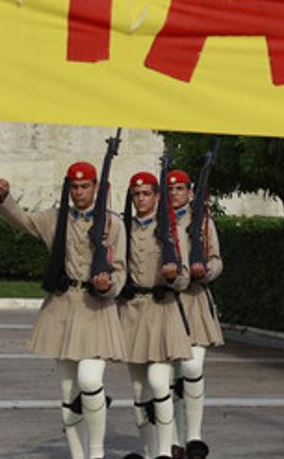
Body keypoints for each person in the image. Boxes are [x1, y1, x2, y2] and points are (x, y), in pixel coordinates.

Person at [0, 162, 127, 459]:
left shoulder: (111, 223)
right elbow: (24, 221)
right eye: (75, 187)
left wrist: (108, 285)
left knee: (91, 381)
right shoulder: (56, 218)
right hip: (64, 309)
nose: (79, 192)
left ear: (96, 188)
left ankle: (96, 453)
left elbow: (121, 271)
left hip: (96, 308)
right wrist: (5, 199)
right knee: (68, 394)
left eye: (85, 186)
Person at [119, 171, 192, 459]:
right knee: (139, 391)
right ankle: (149, 451)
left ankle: (165, 450)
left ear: (157, 196)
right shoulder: (124, 229)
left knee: (160, 383)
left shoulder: (170, 231)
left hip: (162, 310)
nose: (140, 199)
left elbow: (184, 280)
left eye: (146, 194)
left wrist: (173, 277)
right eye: (136, 195)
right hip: (133, 312)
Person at [166, 169, 222, 459]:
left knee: (192, 367)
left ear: (190, 192)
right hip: (165, 303)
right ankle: (173, 440)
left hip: (194, 300)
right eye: (170, 188)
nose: (175, 193)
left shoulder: (202, 222)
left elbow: (216, 259)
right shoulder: (157, 221)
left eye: (180, 188)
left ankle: (194, 437)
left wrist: (207, 271)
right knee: (169, 377)